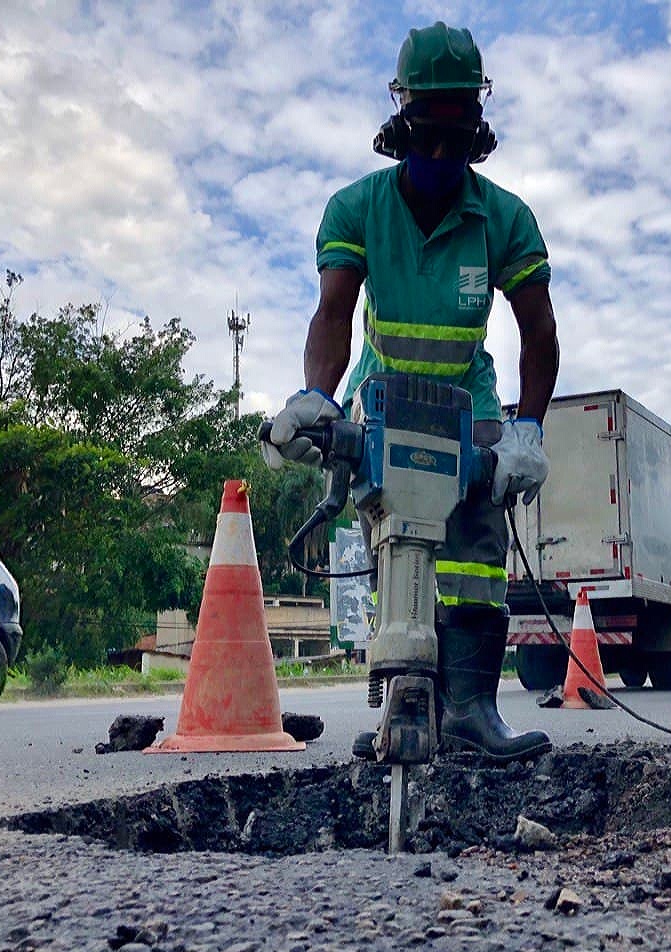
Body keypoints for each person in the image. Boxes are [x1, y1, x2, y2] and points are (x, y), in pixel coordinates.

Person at [262, 22, 559, 763]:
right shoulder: (356, 208)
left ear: (474, 131)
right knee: (398, 548)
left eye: (454, 141)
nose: (438, 155)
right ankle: (404, 704)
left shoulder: (506, 219)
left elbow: (540, 335)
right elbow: (333, 313)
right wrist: (316, 398)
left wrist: (527, 431)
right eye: (427, 136)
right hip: (383, 404)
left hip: (472, 409)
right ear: (403, 120)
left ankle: (470, 711)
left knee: (473, 559)